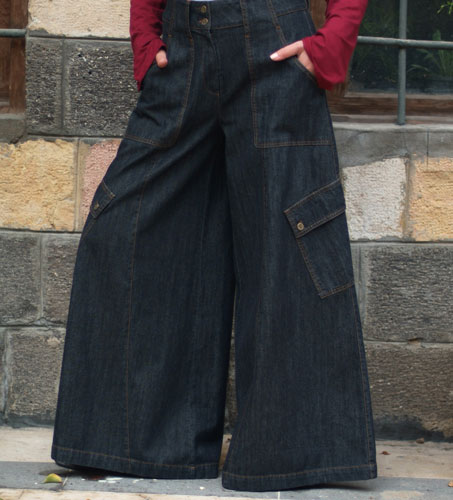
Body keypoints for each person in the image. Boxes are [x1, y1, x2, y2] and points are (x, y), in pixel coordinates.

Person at [51, 0, 377, 492]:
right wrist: (146, 38)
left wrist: (332, 43)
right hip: (181, 54)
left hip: (273, 52)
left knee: (285, 248)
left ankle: (289, 454)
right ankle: (143, 443)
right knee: (123, 229)